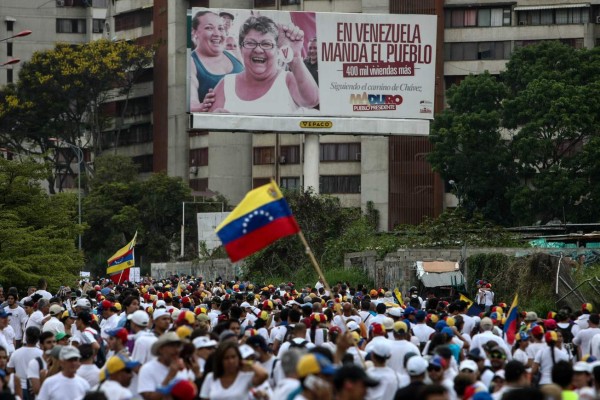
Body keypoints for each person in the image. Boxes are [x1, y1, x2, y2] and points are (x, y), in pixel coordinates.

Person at [206, 15, 319, 114]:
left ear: (277, 50)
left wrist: (294, 58)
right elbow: (204, 126)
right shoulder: (226, 84)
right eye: (250, 43)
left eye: (266, 44)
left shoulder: (287, 80)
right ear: (240, 49)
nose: (258, 50)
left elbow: (312, 101)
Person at [189, 10, 244, 112]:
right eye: (209, 28)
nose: (217, 34)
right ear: (194, 32)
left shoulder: (235, 54)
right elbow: (190, 102)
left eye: (220, 28)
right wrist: (202, 107)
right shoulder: (190, 62)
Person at [199, 341, 268, 400]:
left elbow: (264, 374)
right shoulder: (211, 377)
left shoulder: (245, 377)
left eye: (233, 357)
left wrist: (246, 362)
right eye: (226, 358)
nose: (231, 361)